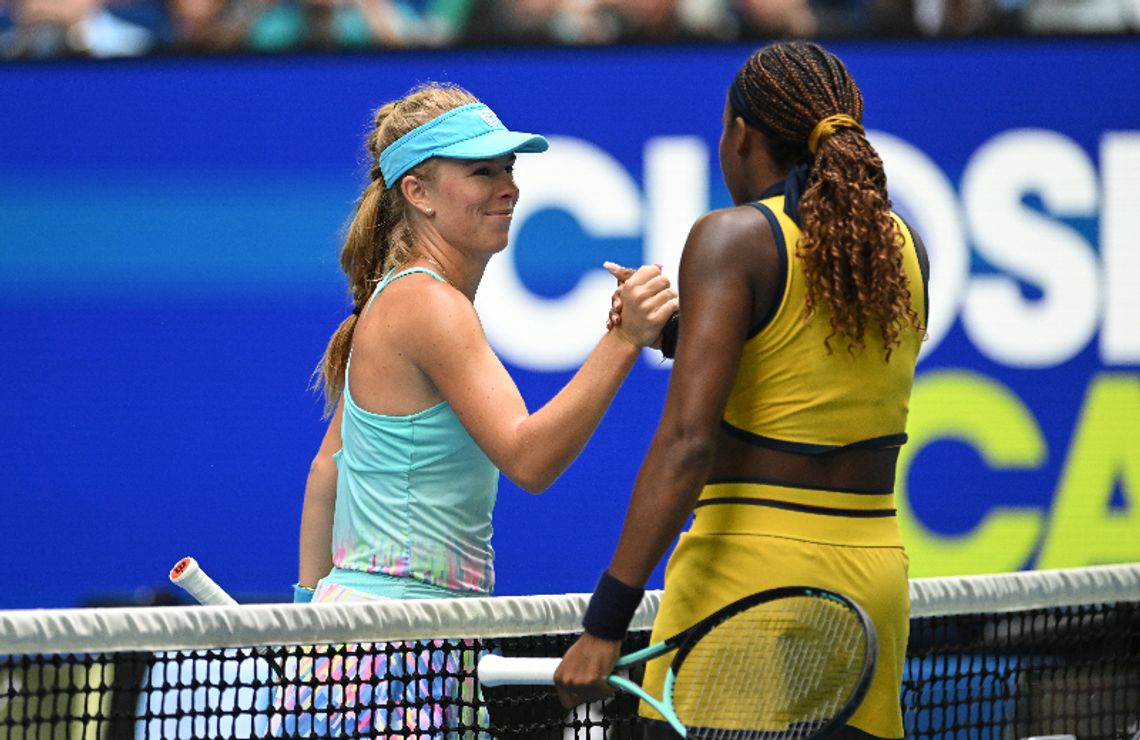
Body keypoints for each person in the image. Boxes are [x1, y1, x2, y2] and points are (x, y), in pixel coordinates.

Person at [554, 40, 929, 740]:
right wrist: (675, 335)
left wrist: (604, 624)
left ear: (739, 134)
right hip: (874, 583)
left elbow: (687, 443)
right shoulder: (904, 245)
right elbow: (804, 362)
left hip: (748, 580)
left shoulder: (732, 239)